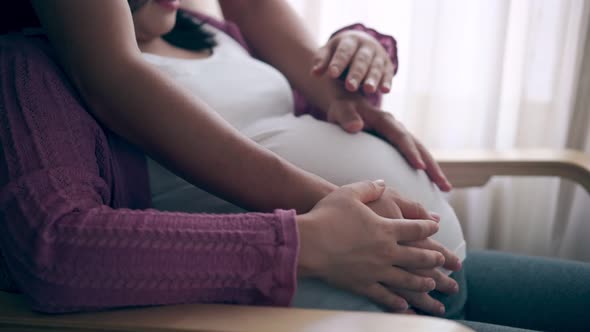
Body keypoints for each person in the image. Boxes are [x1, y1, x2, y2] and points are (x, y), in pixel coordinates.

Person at [0, 1, 588, 331]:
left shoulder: (209, 32)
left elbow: (309, 111)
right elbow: (57, 249)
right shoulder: (36, 68)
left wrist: (360, 51)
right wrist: (300, 241)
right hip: (351, 314)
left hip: (439, 271)